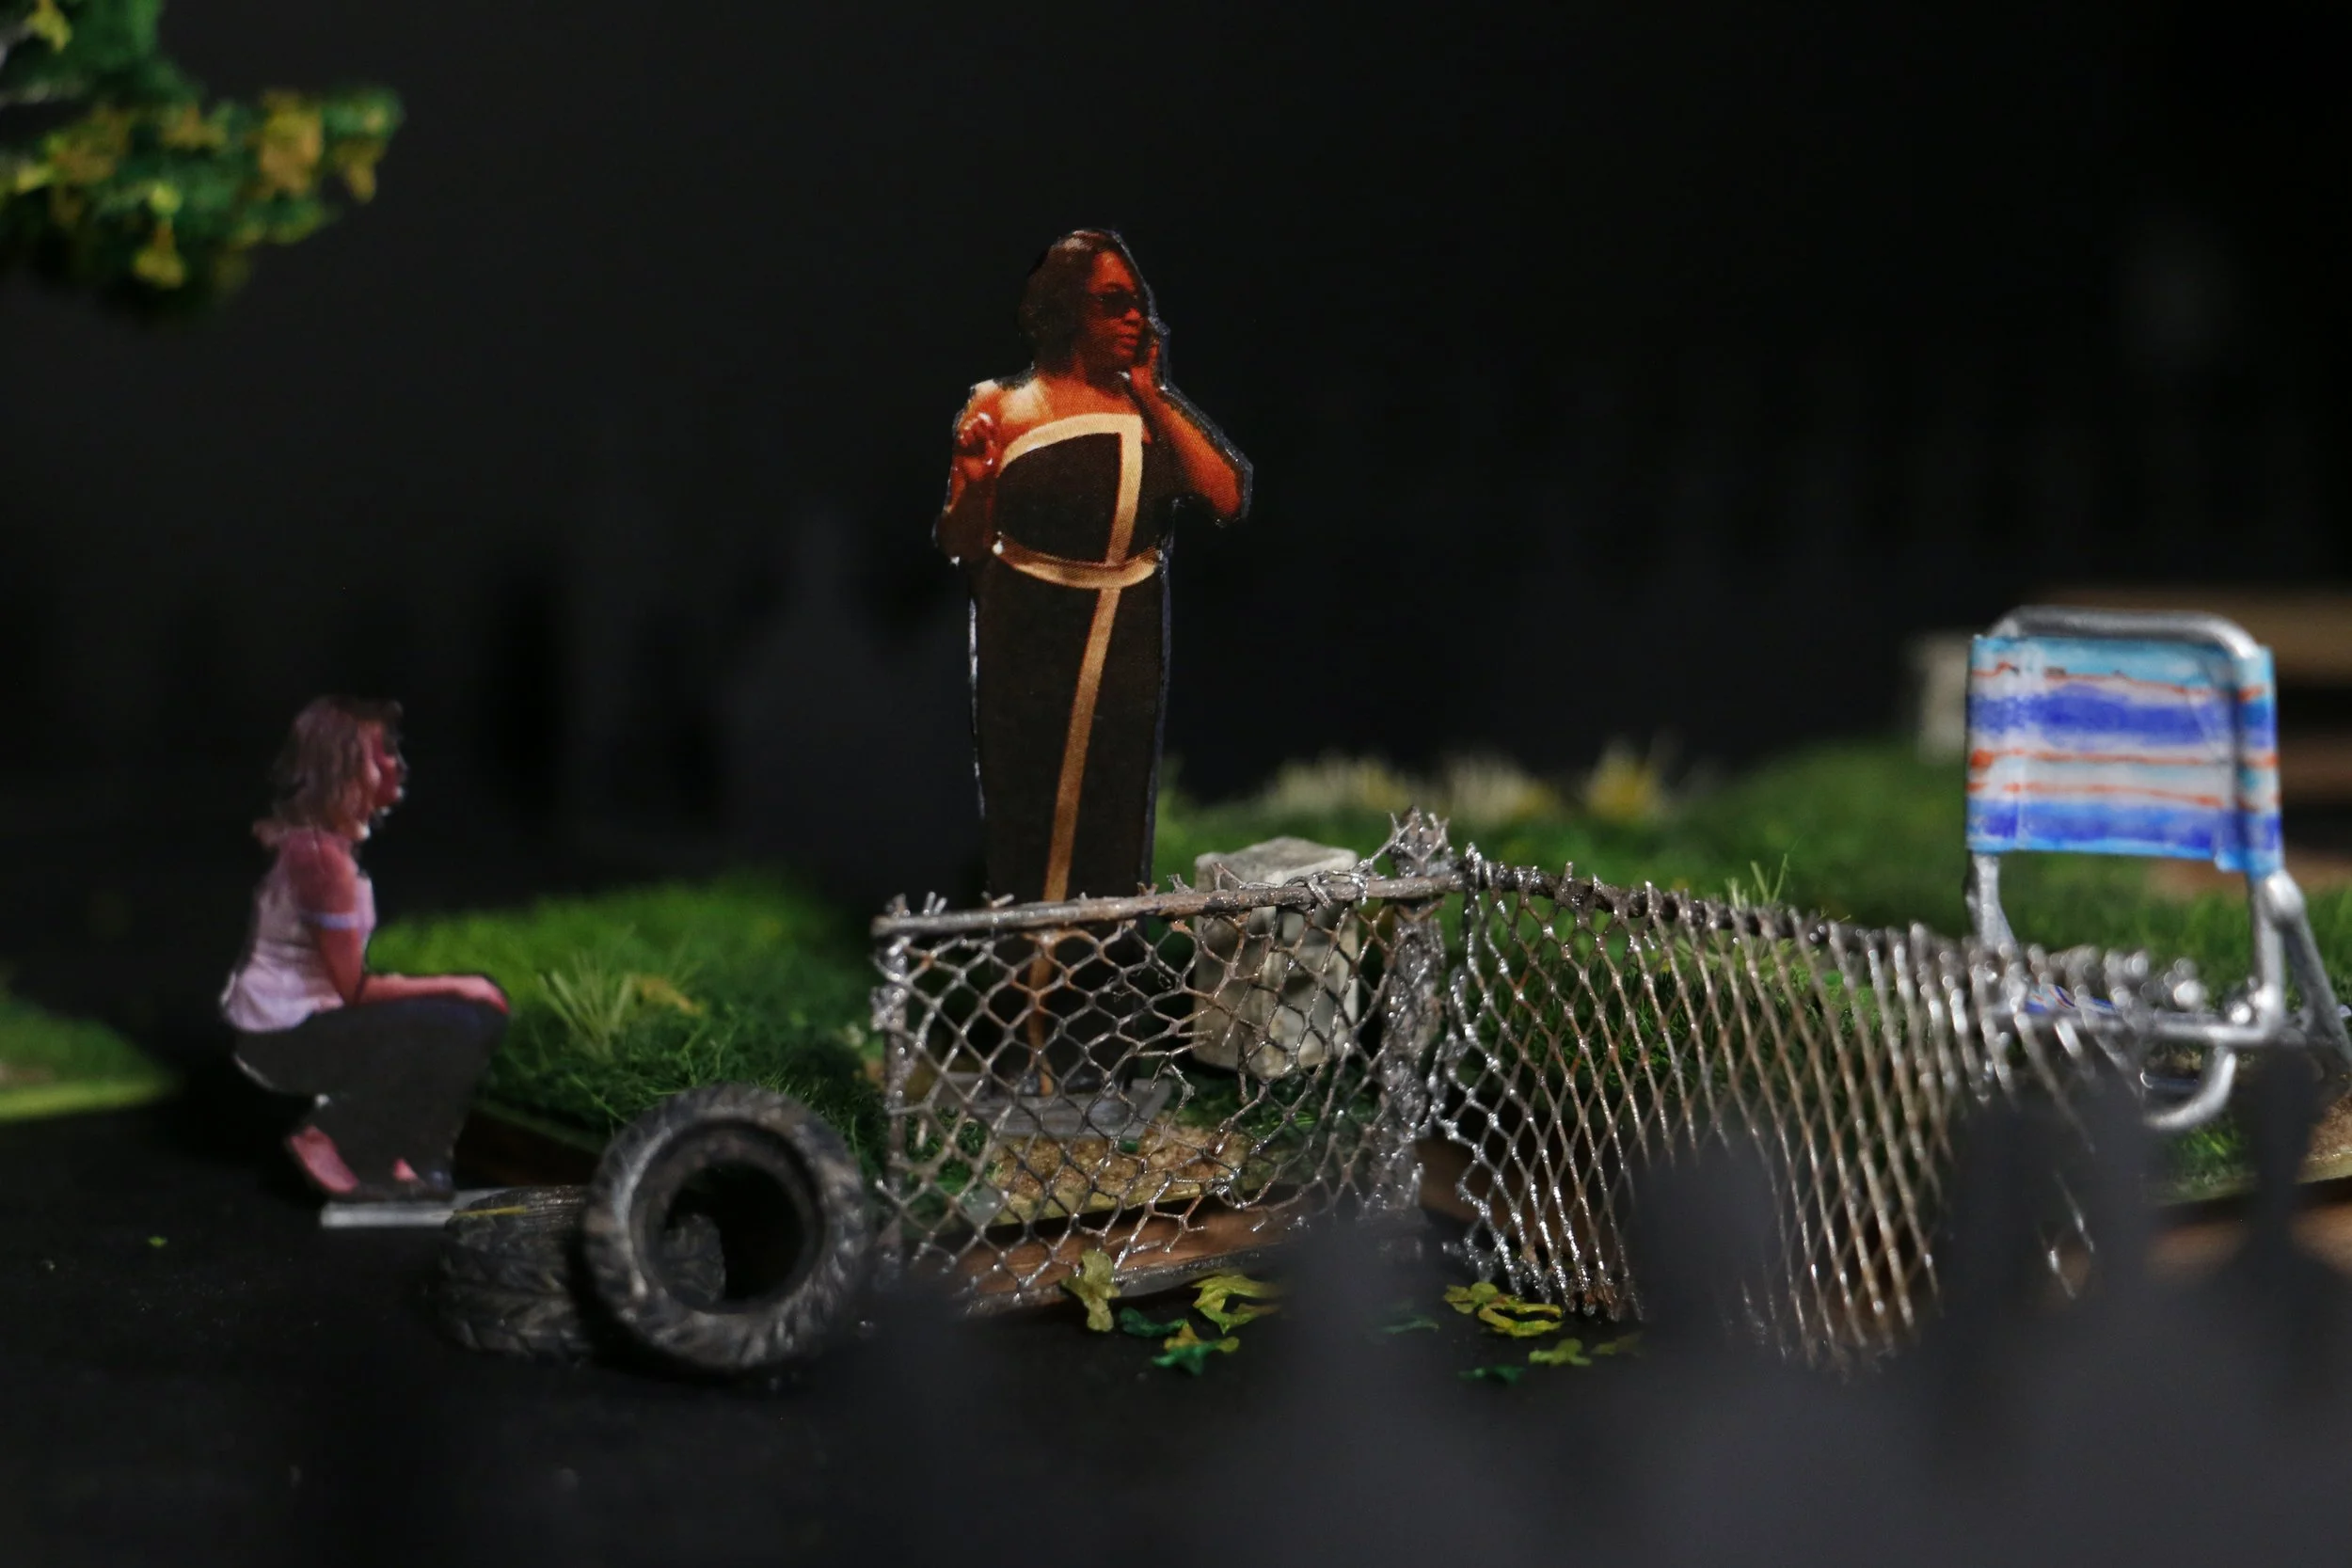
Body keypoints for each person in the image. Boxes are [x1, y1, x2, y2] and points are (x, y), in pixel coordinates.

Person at [934, 230, 1250, 1093]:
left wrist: (1153, 392)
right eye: (1113, 303)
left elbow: (1224, 493)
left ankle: (1096, 1047)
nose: (1134, 318)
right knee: (1029, 834)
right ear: (1065, 310)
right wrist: (975, 482)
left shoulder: (1148, 411)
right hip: (1030, 639)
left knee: (1112, 836)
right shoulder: (1005, 407)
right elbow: (962, 542)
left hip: (1128, 637)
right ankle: (1020, 1041)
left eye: (1137, 303)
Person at [220, 697, 508, 1201]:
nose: (396, 764)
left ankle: (406, 1156)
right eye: (381, 755)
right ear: (341, 771)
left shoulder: (325, 846)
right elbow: (354, 989)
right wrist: (462, 984)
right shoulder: (322, 862)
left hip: (309, 1016)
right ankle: (331, 1134)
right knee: (462, 1020)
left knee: (472, 1019)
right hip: (281, 1034)